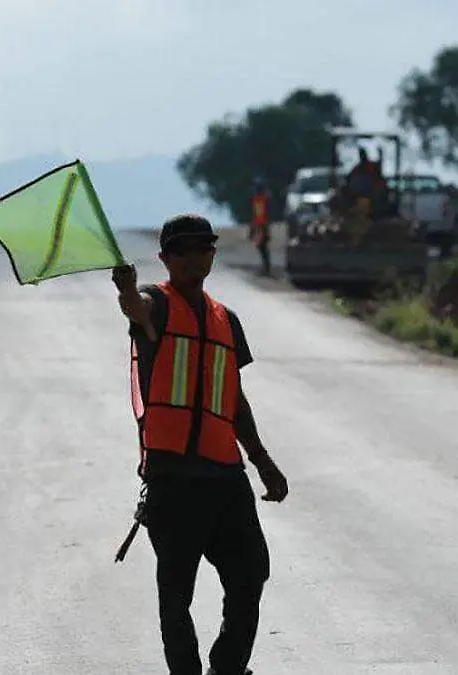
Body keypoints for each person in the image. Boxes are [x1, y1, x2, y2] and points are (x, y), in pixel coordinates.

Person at [112, 214, 289, 675]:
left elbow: (234, 398)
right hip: (173, 480)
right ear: (166, 258)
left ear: (213, 254)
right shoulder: (157, 304)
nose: (195, 258)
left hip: (226, 478)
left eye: (204, 249)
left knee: (251, 575)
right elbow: (136, 309)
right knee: (176, 596)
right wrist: (127, 291)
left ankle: (227, 668)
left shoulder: (226, 319)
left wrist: (264, 463)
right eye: (184, 250)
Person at [248, 179, 272, 277]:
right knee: (261, 246)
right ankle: (266, 267)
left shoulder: (262, 199)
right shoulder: (259, 199)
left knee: (262, 246)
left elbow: (261, 214)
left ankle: (266, 268)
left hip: (262, 225)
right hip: (259, 224)